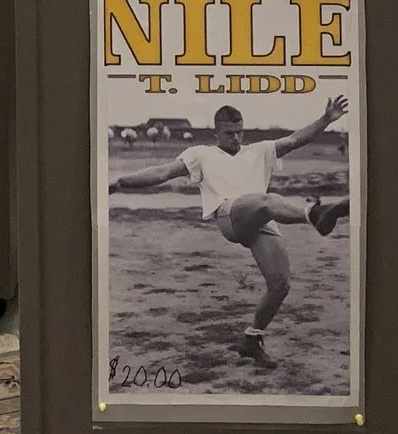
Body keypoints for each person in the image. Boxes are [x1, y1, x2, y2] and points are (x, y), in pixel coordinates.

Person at [106, 98, 352, 366]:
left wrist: (326, 119)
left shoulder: (259, 151)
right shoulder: (200, 154)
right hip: (229, 215)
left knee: (280, 285)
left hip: (260, 217)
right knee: (268, 200)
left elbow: (295, 140)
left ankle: (252, 339)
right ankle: (315, 214)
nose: (236, 138)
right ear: (217, 132)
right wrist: (121, 182)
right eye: (229, 133)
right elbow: (162, 172)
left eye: (239, 132)